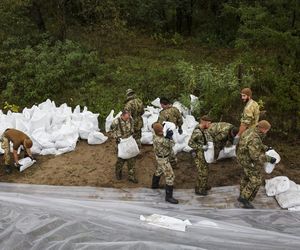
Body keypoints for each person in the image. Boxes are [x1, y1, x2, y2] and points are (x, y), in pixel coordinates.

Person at [237, 120, 276, 209]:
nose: (267, 131)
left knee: (246, 177)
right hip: (248, 161)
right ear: (263, 129)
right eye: (267, 130)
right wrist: (270, 159)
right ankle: (244, 198)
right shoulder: (254, 138)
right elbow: (255, 156)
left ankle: (242, 195)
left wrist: (266, 148)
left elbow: (257, 145)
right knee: (256, 181)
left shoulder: (251, 130)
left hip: (242, 158)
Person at [151, 122, 178, 204]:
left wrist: (165, 130)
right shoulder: (161, 140)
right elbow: (172, 144)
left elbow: (158, 129)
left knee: (159, 170)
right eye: (161, 131)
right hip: (163, 159)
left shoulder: (155, 135)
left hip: (160, 157)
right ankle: (169, 197)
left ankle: (154, 185)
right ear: (159, 132)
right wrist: (169, 137)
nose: (163, 131)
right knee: (170, 176)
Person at [110, 110, 138, 183]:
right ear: (122, 115)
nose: (127, 119)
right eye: (126, 118)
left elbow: (133, 128)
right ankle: (118, 173)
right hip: (121, 142)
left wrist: (133, 134)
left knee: (131, 158)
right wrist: (116, 137)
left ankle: (131, 176)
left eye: (128, 117)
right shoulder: (116, 122)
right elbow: (111, 132)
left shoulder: (131, 119)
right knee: (121, 159)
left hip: (129, 140)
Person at [188, 115, 213, 196]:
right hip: (199, 155)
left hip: (204, 154)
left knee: (205, 170)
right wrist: (201, 147)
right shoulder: (197, 132)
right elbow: (190, 143)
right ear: (204, 122)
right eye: (209, 123)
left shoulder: (204, 130)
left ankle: (202, 186)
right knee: (202, 172)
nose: (210, 125)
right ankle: (200, 190)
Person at [157, 97, 183, 168]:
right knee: (170, 146)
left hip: (166, 133)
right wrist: (180, 127)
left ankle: (166, 162)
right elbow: (180, 119)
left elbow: (160, 124)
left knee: (165, 147)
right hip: (173, 131)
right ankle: (173, 163)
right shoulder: (175, 109)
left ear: (162, 104)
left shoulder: (163, 113)